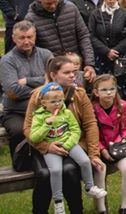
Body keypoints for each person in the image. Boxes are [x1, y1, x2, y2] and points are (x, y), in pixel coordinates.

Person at [24, 55, 103, 214]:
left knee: (69, 170)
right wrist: (47, 147)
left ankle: (76, 210)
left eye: (73, 72)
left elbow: (90, 124)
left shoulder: (79, 94)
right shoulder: (39, 95)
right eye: (67, 72)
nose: (72, 75)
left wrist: (94, 154)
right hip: (44, 145)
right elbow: (27, 128)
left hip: (72, 143)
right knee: (45, 173)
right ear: (53, 75)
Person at [27, 0, 97, 84]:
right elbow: (33, 48)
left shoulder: (71, 8)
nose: (53, 6)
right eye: (48, 3)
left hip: (76, 65)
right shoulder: (31, 18)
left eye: (55, 2)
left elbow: (83, 36)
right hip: (52, 70)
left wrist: (89, 63)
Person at [0, 21, 53, 155]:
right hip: (16, 111)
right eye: (22, 38)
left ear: (35, 36)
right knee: (19, 131)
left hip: (45, 109)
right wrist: (43, 86)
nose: (26, 41)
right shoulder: (7, 60)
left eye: (29, 37)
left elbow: (54, 81)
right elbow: (12, 90)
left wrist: (28, 81)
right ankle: (21, 163)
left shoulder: (46, 54)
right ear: (14, 38)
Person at [91, 74, 126, 214]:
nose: (109, 93)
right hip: (99, 148)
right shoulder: (92, 109)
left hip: (117, 146)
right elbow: (91, 134)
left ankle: (124, 207)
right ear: (96, 92)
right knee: (100, 170)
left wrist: (120, 141)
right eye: (104, 90)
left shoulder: (122, 105)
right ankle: (102, 209)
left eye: (112, 89)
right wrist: (102, 150)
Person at [88, 0, 126, 110]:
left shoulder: (124, 14)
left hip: (120, 56)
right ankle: (101, 110)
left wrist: (116, 50)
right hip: (102, 56)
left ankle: (124, 111)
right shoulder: (95, 14)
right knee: (102, 84)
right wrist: (106, 51)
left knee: (122, 85)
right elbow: (91, 35)